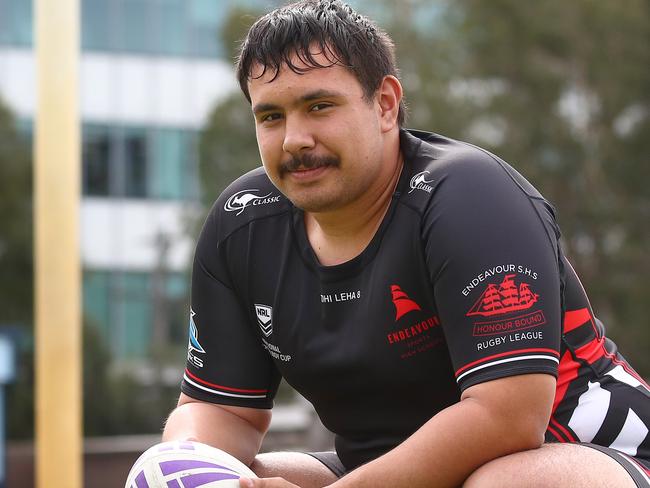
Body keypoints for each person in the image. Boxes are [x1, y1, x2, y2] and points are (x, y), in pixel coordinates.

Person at [160, 1, 650, 486]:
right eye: (270, 117)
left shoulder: (469, 197)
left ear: (385, 104)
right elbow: (218, 410)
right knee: (209, 478)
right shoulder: (241, 224)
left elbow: (507, 417)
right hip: (391, 470)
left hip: (582, 454)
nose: (294, 139)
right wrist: (187, 467)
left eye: (319, 106)